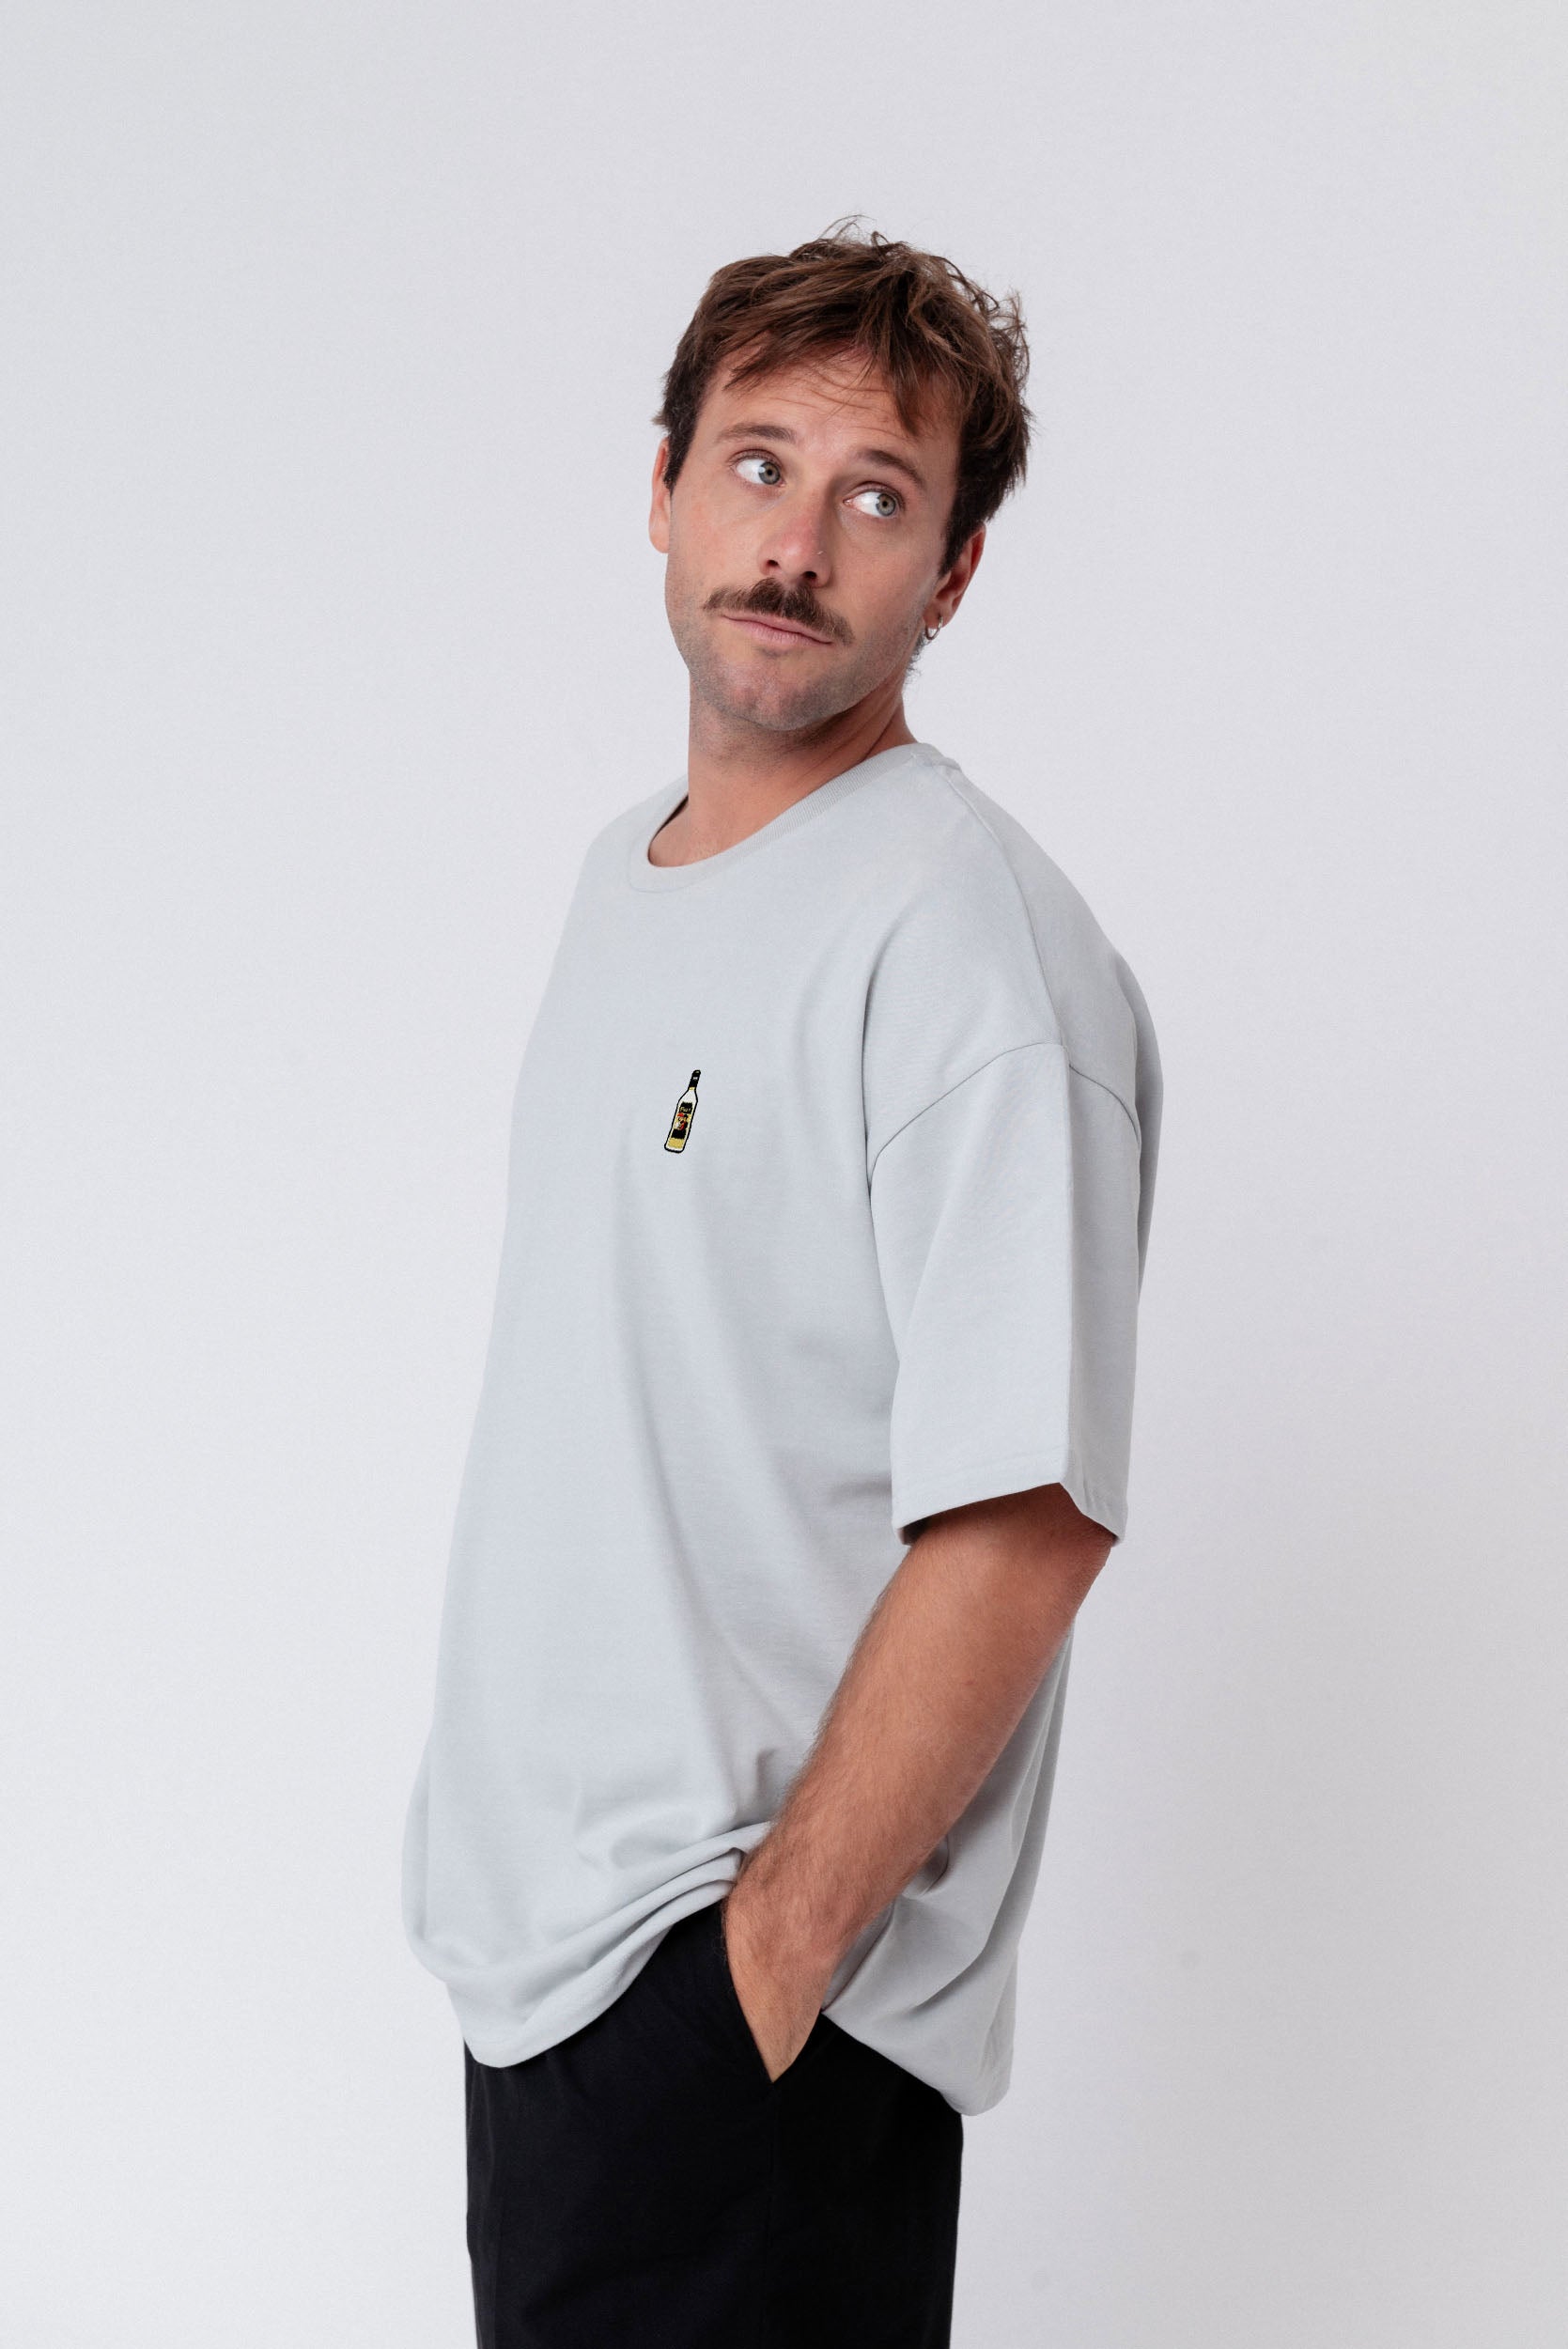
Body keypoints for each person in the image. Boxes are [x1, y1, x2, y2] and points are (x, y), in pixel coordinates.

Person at [402, 223, 1162, 2348]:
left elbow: (1026, 1511)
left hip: (745, 2017)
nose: (797, 544)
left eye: (876, 495)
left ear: (953, 571)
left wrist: (761, 1963)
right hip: (548, 1984)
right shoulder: (627, 873)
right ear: (660, 487)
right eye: (756, 464)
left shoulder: (967, 944)